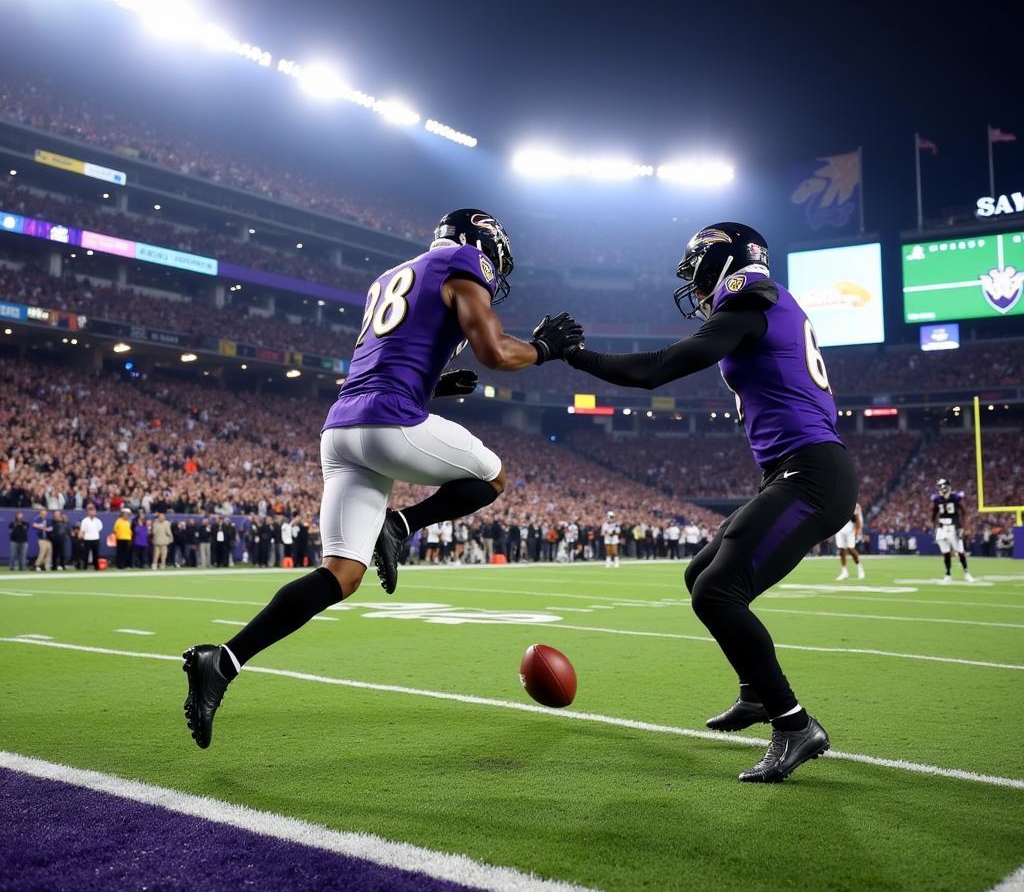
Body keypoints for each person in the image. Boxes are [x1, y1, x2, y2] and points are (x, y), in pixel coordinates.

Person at [182, 207, 582, 748]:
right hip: (387, 424)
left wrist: (430, 385)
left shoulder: (390, 276)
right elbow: (495, 351)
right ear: (479, 244)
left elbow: (383, 358)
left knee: (341, 575)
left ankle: (222, 662)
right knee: (492, 477)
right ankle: (402, 523)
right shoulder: (465, 261)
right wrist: (544, 349)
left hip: (341, 429)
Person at [567, 222, 857, 783]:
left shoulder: (750, 305)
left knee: (718, 592)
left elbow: (656, 370)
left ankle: (795, 725)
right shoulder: (771, 301)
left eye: (696, 269)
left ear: (721, 262)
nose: (694, 286)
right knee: (700, 572)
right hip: (794, 470)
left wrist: (574, 356)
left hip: (812, 473)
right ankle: (755, 693)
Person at [932, 479, 974, 583]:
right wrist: (934, 525)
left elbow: (963, 511)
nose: (940, 489)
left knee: (960, 551)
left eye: (941, 487)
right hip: (942, 528)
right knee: (945, 552)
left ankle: (966, 573)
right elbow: (934, 513)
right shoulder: (937, 499)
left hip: (954, 527)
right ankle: (948, 574)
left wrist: (962, 526)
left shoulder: (955, 498)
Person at [835, 503, 865, 580]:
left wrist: (858, 530)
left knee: (850, 549)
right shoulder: (838, 503)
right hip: (840, 528)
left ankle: (859, 568)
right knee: (841, 550)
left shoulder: (855, 505)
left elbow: (858, 518)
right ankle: (844, 572)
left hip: (850, 529)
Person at [79, 504, 104, 570]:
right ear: (88, 512)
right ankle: (85, 567)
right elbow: (83, 530)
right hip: (87, 539)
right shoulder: (85, 521)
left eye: (94, 511)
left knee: (96, 554)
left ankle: (96, 567)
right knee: (85, 554)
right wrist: (81, 537)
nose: (93, 512)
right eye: (92, 511)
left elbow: (99, 529)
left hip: (95, 539)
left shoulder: (98, 521)